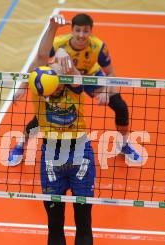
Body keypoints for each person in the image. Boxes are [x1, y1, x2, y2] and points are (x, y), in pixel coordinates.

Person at [8, 13, 142, 167]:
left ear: (91, 31)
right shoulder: (59, 43)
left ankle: (123, 144)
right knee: (43, 116)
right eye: (78, 30)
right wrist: (22, 87)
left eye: (85, 31)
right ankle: (21, 145)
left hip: (90, 77)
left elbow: (110, 72)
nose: (81, 35)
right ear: (71, 30)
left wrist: (105, 90)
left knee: (120, 107)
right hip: (65, 80)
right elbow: (38, 61)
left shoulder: (98, 46)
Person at [29, 15, 94, 245]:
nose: (56, 63)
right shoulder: (45, 84)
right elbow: (43, 55)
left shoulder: (64, 84)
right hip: (63, 158)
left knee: (75, 222)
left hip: (70, 155)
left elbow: (74, 77)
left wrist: (65, 56)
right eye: (53, 62)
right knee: (64, 223)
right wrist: (54, 30)